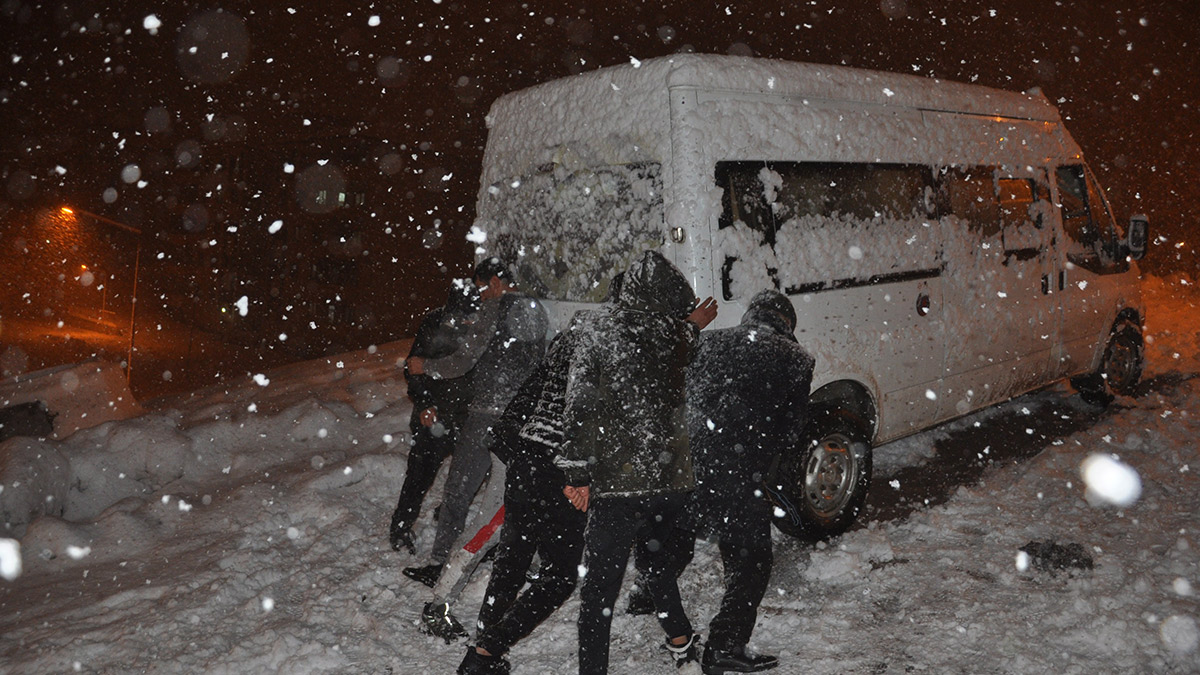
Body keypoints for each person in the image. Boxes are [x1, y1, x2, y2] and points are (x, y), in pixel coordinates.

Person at [556, 250, 717, 674]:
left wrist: (576, 473)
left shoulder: (598, 330)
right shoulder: (673, 334)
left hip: (616, 485)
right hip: (667, 483)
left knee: (599, 595)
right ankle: (682, 645)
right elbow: (688, 334)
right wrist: (694, 322)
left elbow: (579, 407)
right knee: (657, 565)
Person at [404, 257, 548, 616]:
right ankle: (529, 562)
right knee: (512, 496)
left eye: (483, 287)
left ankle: (441, 562)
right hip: (521, 418)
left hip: (488, 414)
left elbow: (464, 360)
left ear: (497, 282)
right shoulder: (537, 310)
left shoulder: (495, 308)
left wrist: (428, 367)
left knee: (458, 489)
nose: (481, 296)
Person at [681, 288, 814, 674]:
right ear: (787, 324)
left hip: (686, 461)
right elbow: (791, 435)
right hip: (738, 471)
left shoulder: (709, 340)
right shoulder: (796, 358)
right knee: (751, 560)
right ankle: (724, 645)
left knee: (676, 530)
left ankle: (649, 596)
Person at [457, 325, 588, 675]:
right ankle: (486, 649)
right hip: (559, 468)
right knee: (559, 576)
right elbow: (588, 415)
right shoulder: (608, 346)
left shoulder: (573, 336)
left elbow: (529, 394)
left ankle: (484, 654)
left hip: (526, 457)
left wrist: (517, 449)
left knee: (511, 562)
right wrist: (579, 476)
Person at [388, 279, 480, 555]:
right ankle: (400, 527)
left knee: (467, 476)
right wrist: (426, 402)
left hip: (467, 416)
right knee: (419, 476)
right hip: (434, 417)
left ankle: (447, 515)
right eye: (462, 314)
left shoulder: (481, 326)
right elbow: (413, 368)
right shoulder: (434, 324)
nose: (466, 321)